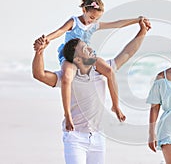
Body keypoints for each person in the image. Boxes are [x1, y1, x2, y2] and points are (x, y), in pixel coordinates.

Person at [32, 18, 150, 164]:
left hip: (98, 136)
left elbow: (127, 53)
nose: (90, 49)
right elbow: (40, 75)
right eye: (85, 49)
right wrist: (39, 53)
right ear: (78, 59)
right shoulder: (66, 77)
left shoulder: (101, 71)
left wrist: (142, 31)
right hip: (74, 137)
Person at [34, 0, 145, 129]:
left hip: (86, 56)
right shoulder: (74, 21)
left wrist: (137, 20)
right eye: (92, 17)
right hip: (70, 56)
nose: (93, 21)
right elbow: (60, 31)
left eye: (97, 18)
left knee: (109, 71)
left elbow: (116, 24)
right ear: (84, 10)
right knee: (67, 78)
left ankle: (115, 106)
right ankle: (67, 114)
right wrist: (47, 40)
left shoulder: (94, 24)